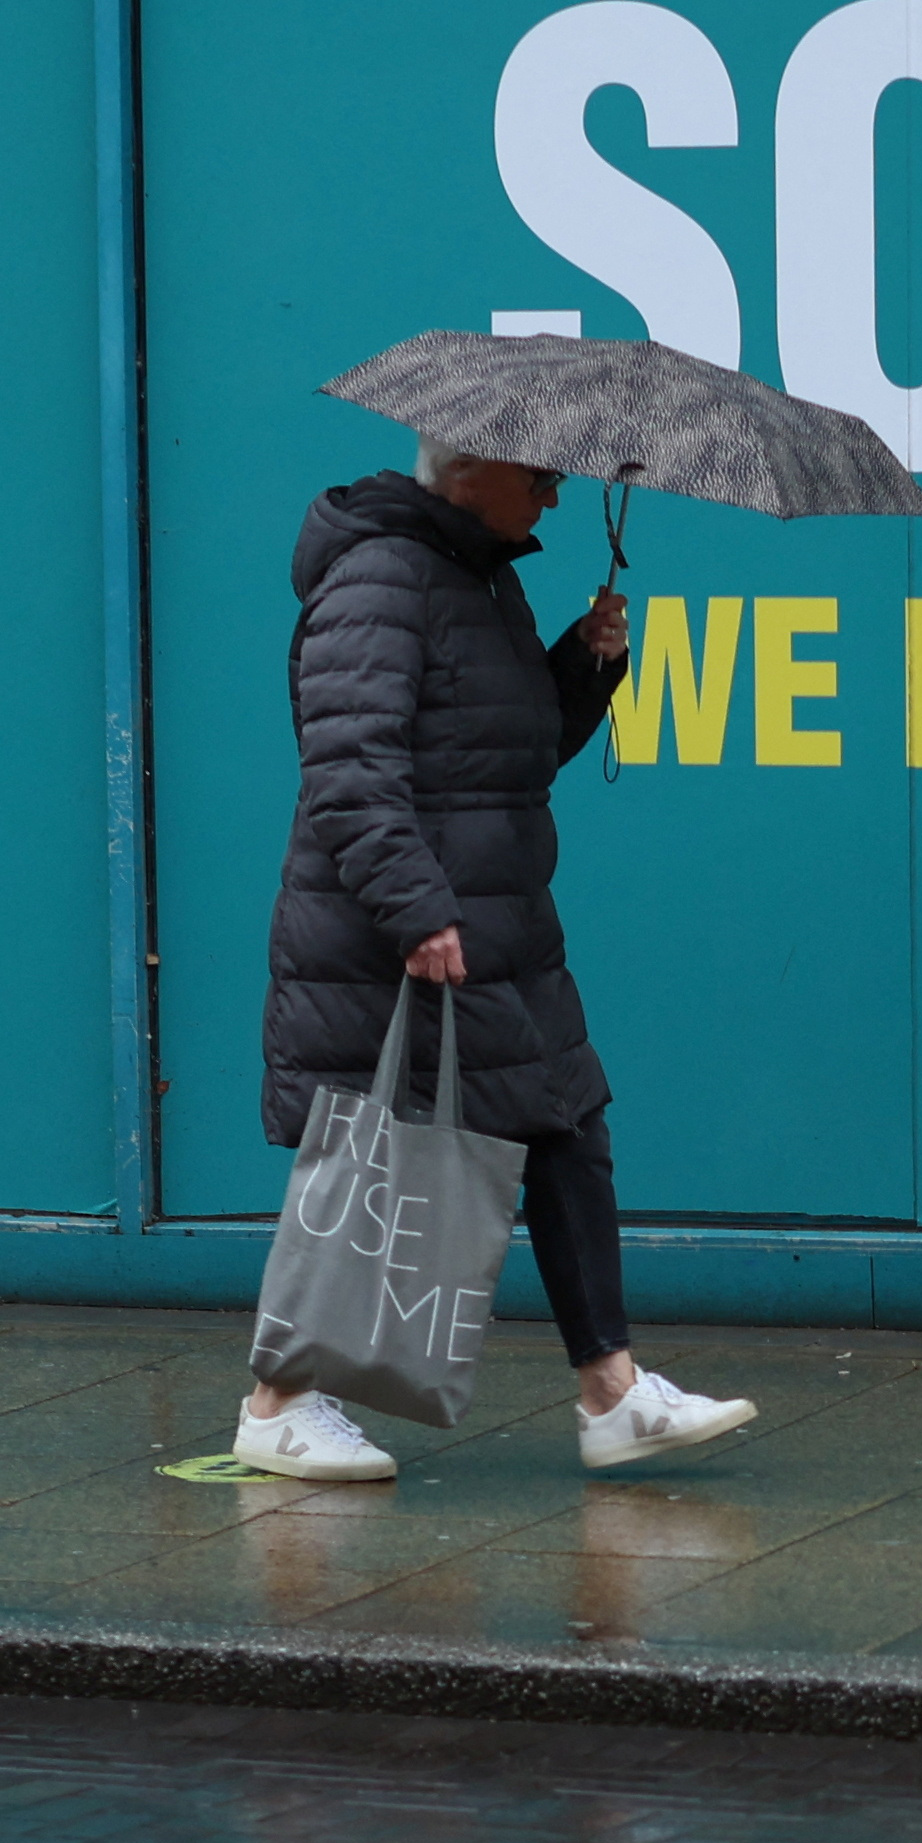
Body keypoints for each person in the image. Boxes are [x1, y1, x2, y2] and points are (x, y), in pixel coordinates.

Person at [239, 437, 753, 1481]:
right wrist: (416, 909)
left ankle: (611, 1391)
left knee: (564, 1120)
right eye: (539, 474)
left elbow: (503, 756)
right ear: (467, 470)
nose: (556, 493)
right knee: (377, 1157)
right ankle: (277, 1403)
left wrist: (585, 663)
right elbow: (349, 768)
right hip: (402, 939)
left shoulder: (475, 580)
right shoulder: (381, 576)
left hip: (495, 927)